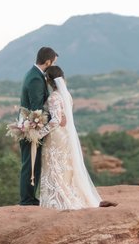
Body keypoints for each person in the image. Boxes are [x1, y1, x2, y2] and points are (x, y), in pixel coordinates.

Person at [39, 64, 102, 210]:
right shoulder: (66, 95)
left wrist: (39, 133)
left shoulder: (54, 97)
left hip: (57, 137)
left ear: (48, 81)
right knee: (65, 166)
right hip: (66, 135)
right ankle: (65, 195)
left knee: (54, 165)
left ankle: (57, 201)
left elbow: (55, 121)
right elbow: (64, 117)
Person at [18, 46, 60, 205]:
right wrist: (55, 117)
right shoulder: (36, 78)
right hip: (31, 127)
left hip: (31, 125)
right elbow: (37, 109)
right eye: (53, 62)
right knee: (30, 163)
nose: (53, 66)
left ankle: (29, 197)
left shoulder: (33, 74)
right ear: (48, 61)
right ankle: (27, 200)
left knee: (31, 162)